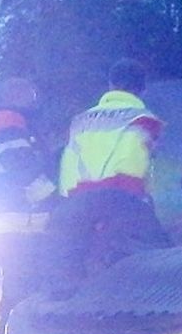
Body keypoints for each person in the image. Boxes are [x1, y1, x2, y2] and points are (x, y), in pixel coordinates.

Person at [49, 59, 171, 293]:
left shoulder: (81, 119)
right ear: (143, 87)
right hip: (122, 201)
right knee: (145, 275)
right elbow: (135, 163)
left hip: (77, 204)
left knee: (72, 280)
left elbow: (69, 164)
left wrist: (70, 204)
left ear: (110, 84)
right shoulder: (144, 119)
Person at [0, 77, 57, 334]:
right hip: (18, 229)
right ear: (16, 96)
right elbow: (21, 165)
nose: (35, 98)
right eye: (30, 93)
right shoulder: (7, 120)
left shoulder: (10, 122)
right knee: (20, 296)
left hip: (17, 229)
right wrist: (53, 199)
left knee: (22, 293)